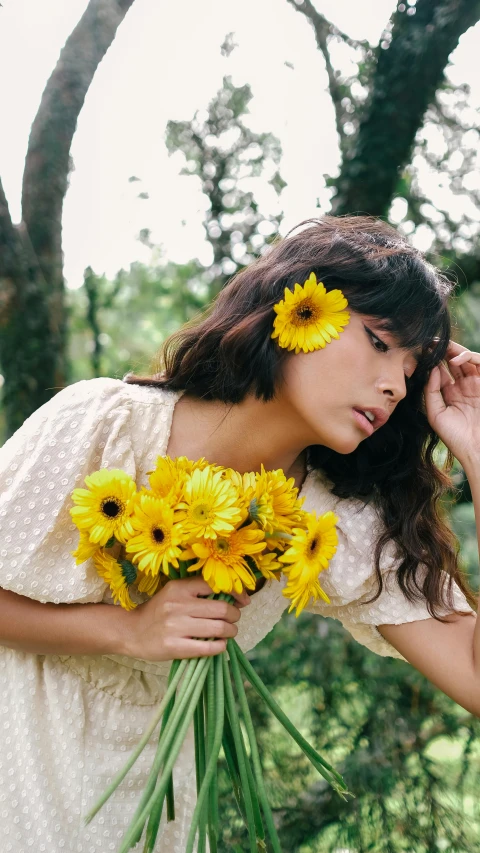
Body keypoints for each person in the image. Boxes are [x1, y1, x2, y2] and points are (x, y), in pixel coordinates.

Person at [0, 214, 478, 852]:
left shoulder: (333, 522)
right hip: (18, 754)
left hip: (156, 809)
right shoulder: (104, 424)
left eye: (414, 369)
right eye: (378, 341)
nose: (395, 383)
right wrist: (127, 631)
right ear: (299, 311)